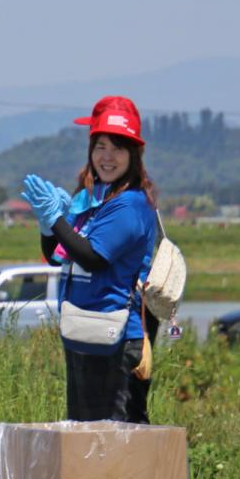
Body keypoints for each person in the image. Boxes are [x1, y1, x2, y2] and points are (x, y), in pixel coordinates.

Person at [24, 95, 157, 422]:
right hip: (84, 330)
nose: (107, 157)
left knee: (115, 436)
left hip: (115, 335)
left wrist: (57, 220)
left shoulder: (129, 205)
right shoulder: (92, 201)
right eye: (100, 147)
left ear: (133, 155)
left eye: (117, 148)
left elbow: (93, 257)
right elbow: (58, 258)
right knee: (84, 433)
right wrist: (48, 226)